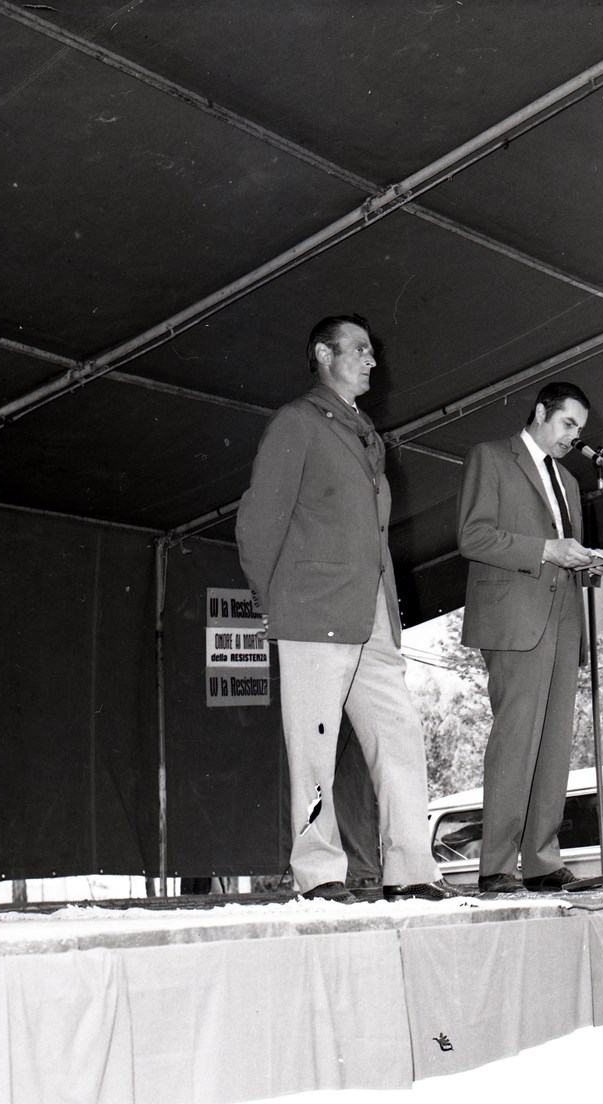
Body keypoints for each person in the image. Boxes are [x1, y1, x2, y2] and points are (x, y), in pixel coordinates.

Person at [235, 314, 455, 903]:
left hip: (371, 613)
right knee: (315, 747)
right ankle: (319, 873)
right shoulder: (297, 422)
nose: (371, 360)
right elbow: (259, 520)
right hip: (313, 611)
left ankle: (411, 870)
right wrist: (269, 599)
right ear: (323, 354)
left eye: (371, 351)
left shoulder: (365, 432)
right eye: (359, 349)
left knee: (400, 735)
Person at [457, 381, 603, 893]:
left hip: (564, 620)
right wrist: (548, 550)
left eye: (580, 428)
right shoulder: (490, 457)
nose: (574, 437)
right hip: (515, 620)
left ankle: (543, 862)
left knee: (554, 746)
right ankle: (496, 867)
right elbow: (473, 536)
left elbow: (563, 551)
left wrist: (587, 561)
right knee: (516, 742)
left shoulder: (568, 480)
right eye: (568, 423)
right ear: (541, 413)